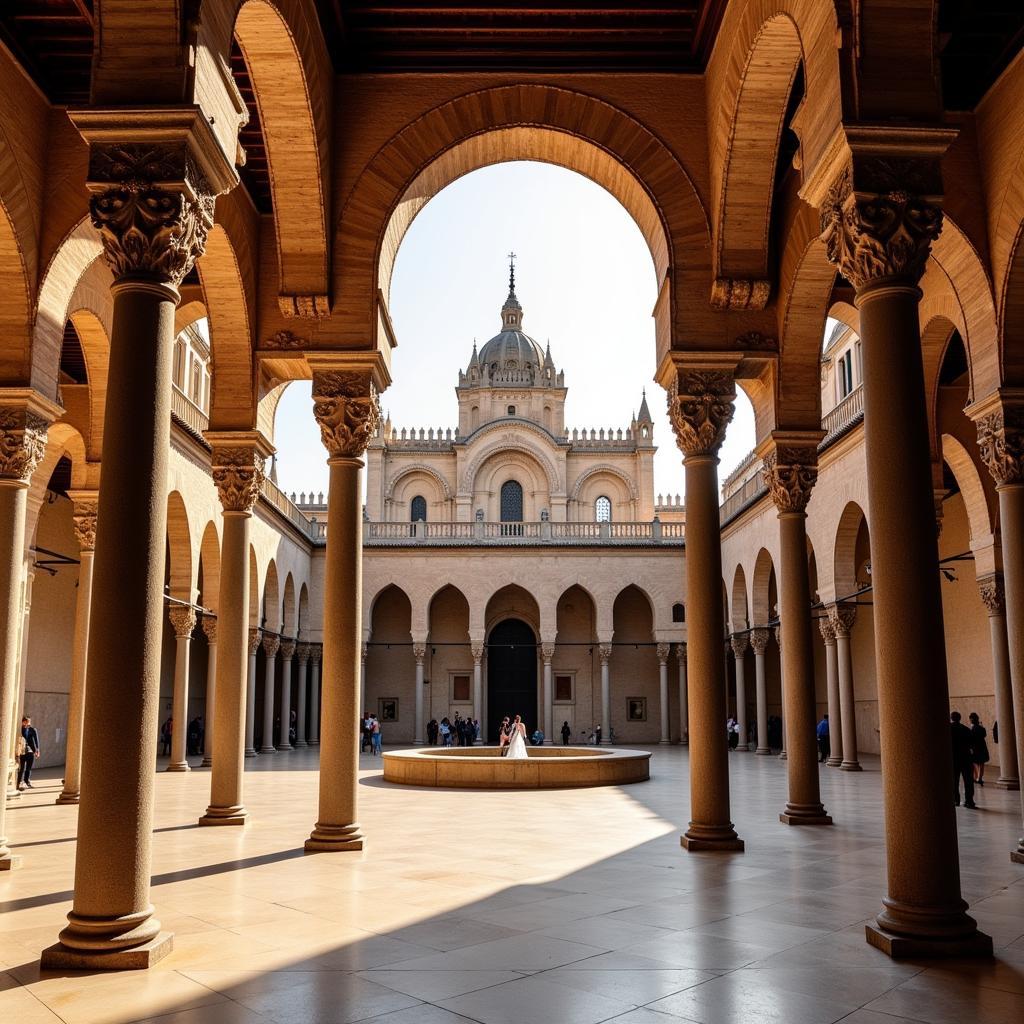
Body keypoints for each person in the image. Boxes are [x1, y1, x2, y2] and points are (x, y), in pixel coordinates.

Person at [950, 711, 976, 808]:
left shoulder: (948, 729)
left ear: (951, 718)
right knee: (968, 781)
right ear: (960, 718)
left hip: (954, 759)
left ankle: (955, 800)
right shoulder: (966, 729)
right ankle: (969, 801)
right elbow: (972, 744)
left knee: (954, 781)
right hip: (966, 758)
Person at [17, 716, 40, 790]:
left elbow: (36, 740)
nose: (28, 723)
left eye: (29, 721)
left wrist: (37, 750)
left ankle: (27, 781)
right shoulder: (20, 729)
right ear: (23, 722)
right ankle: (19, 782)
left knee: (29, 768)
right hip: (22, 752)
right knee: (21, 768)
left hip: (30, 751)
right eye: (26, 722)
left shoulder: (32, 730)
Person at [968, 712, 990, 786]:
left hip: (975, 747)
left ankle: (976, 777)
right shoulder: (981, 728)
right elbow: (984, 735)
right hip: (982, 747)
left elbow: (971, 739)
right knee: (981, 763)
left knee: (974, 762)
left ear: (971, 719)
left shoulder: (972, 729)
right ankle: (980, 778)